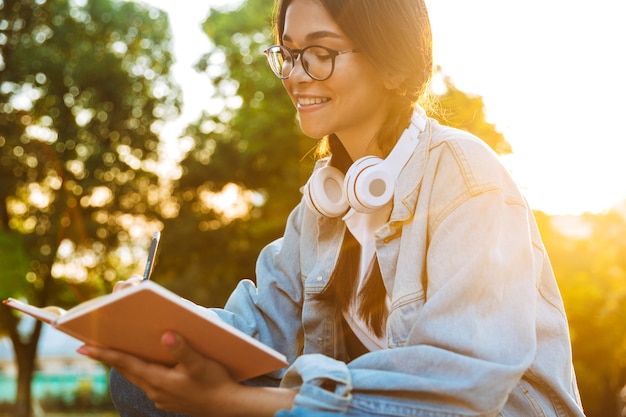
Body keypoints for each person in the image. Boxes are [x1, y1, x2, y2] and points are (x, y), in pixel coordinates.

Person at [78, 0, 586, 416]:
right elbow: (257, 328)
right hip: (357, 408)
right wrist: (156, 322)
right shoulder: (324, 200)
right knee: (139, 380)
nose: (296, 75)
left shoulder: (468, 176)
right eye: (288, 53)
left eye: (319, 53)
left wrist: (229, 402)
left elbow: (458, 394)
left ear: (392, 64)